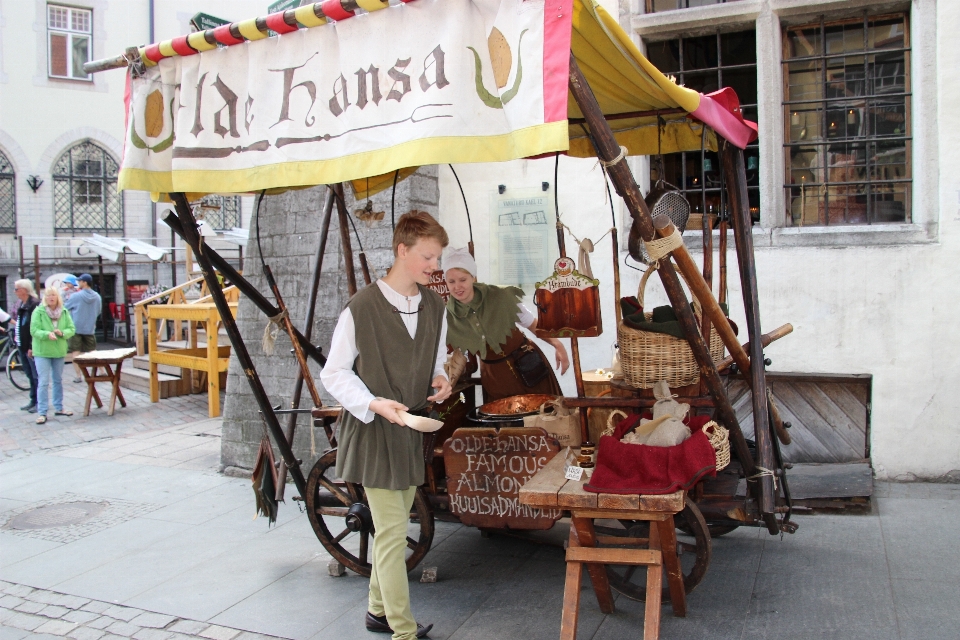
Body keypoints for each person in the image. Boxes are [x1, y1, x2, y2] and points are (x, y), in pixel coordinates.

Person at [319, 211, 451, 640]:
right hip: (375, 429)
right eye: (428, 256)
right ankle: (403, 631)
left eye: (437, 257)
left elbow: (434, 359)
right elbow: (334, 373)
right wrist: (373, 402)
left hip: (412, 428)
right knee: (394, 531)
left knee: (393, 529)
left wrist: (441, 378)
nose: (435, 265)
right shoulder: (361, 308)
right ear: (403, 250)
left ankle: (377, 611)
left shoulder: (434, 305)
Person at [443, 247, 569, 403]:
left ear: (473, 278)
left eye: (463, 280)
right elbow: (458, 352)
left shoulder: (499, 298)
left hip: (527, 367)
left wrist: (558, 345)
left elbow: (531, 324)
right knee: (508, 424)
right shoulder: (449, 316)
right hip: (495, 377)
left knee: (542, 418)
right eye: (451, 281)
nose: (457, 287)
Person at [31, 287, 76, 424]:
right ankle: (42, 411)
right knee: (43, 381)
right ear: (45, 297)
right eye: (49, 295)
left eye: (54, 295)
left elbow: (71, 329)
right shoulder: (39, 311)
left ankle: (59, 407)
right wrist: (46, 334)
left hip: (58, 350)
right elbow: (34, 330)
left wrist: (62, 333)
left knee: (58, 380)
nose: (51, 298)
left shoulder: (64, 311)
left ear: (58, 297)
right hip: (42, 351)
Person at [65, 273, 102, 382]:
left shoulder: (76, 296)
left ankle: (78, 376)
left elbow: (65, 308)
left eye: (80, 281)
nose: (78, 283)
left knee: (75, 352)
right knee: (93, 351)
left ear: (84, 282)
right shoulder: (97, 297)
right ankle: (102, 370)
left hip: (75, 328)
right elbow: (99, 311)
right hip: (90, 327)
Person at [12, 280, 40, 413]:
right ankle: (33, 399)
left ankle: (38, 402)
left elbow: (34, 326)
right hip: (21, 344)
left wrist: (31, 346)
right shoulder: (23, 304)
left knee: (35, 375)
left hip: (29, 345)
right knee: (29, 373)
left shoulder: (34, 304)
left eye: (16, 289)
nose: (15, 291)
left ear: (24, 289)